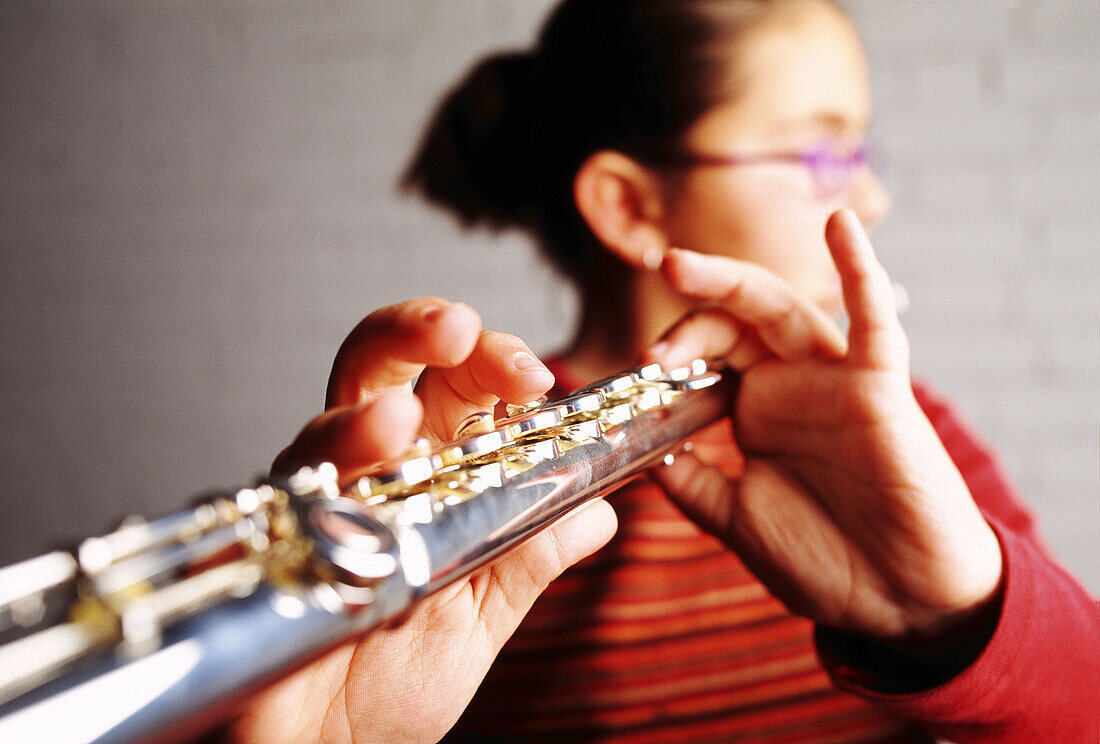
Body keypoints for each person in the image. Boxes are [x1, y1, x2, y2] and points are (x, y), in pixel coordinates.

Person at [228, 1, 1099, 742]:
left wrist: (960, 615)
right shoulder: (469, 466)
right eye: (822, 156)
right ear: (630, 205)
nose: (870, 201)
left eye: (862, 155)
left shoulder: (899, 436)